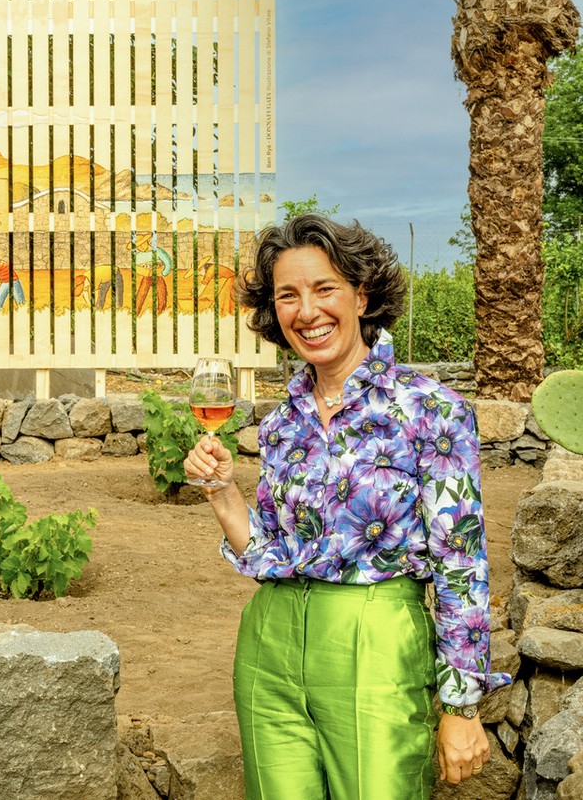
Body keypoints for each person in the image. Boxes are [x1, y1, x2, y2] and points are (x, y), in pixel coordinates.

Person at [183, 214, 508, 798]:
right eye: (288, 295)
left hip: (378, 647)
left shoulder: (431, 410)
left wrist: (461, 703)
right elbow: (264, 553)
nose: (307, 311)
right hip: (269, 650)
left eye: (323, 288)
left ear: (362, 293)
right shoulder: (282, 423)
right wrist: (222, 489)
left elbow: (462, 564)